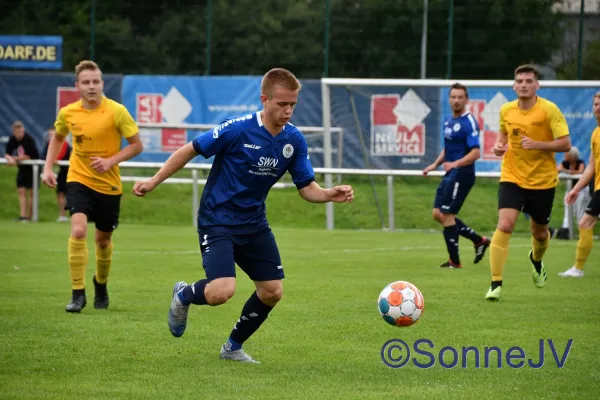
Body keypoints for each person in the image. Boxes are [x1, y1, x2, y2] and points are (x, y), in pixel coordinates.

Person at [133, 68, 354, 364]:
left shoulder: (294, 140)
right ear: (264, 100)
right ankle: (185, 295)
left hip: (253, 223)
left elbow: (305, 187)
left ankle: (232, 347)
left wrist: (327, 194)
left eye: (293, 105)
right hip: (218, 218)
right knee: (221, 292)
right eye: (282, 104)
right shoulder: (236, 129)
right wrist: (153, 181)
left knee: (272, 291)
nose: (288, 111)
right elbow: (189, 150)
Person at [42, 60, 143, 313]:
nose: (91, 86)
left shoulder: (117, 111)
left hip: (108, 186)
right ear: (77, 86)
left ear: (101, 83)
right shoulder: (68, 113)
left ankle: (101, 283)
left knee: (103, 241)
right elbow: (57, 138)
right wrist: (47, 167)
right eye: (86, 82)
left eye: (95, 81)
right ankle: (77, 294)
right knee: (77, 232)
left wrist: (110, 161)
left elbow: (136, 145)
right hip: (78, 179)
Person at [485, 64, 571, 301]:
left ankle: (536, 259)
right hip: (512, 177)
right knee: (505, 225)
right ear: (514, 85)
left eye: (528, 81)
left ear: (537, 85)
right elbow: (503, 135)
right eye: (519, 81)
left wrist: (538, 144)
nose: (523, 85)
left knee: (540, 233)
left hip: (542, 181)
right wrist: (498, 146)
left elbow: (565, 144)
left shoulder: (549, 110)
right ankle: (495, 283)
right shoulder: (506, 110)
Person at [423, 83, 490, 268]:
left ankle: (455, 261)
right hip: (451, 173)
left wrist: (455, 163)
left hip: (462, 174)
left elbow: (476, 153)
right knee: (438, 214)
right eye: (453, 97)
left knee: (447, 214)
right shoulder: (448, 120)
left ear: (466, 100)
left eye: (460, 97)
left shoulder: (469, 122)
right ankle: (479, 240)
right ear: (449, 99)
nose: (456, 100)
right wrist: (434, 165)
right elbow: (449, 148)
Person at [558, 92, 600, 278]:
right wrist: (576, 189)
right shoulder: (596, 133)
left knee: (585, 223)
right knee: (585, 223)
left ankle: (578, 269)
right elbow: (591, 166)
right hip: (597, 188)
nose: (598, 107)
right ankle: (577, 268)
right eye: (596, 104)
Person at [4, 120, 40, 222]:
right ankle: (23, 216)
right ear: (13, 131)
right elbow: (7, 153)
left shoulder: (29, 139)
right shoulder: (12, 139)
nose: (18, 134)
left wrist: (14, 159)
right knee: (21, 190)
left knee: (32, 192)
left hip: (33, 168)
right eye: (16, 132)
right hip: (23, 168)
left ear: (23, 130)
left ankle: (30, 216)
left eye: (20, 131)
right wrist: (10, 158)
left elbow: (28, 156)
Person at [555, 146, 588, 238]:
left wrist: (566, 171)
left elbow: (580, 172)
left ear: (572, 155)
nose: (565, 155)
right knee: (568, 209)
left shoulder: (580, 163)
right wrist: (564, 170)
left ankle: (583, 232)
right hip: (570, 190)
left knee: (580, 211)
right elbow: (557, 170)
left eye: (566, 153)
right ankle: (566, 231)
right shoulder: (564, 162)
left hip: (581, 190)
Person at [42, 127, 71, 222]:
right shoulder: (48, 145)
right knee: (60, 193)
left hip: (67, 173)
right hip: (57, 173)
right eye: (50, 135)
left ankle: (74, 215)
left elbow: (67, 157)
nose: (51, 137)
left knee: (71, 195)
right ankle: (62, 216)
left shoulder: (67, 146)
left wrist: (55, 160)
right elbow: (42, 156)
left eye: (53, 134)